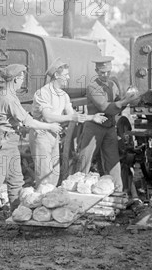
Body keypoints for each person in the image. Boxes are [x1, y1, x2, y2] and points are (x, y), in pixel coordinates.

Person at [0, 64, 61, 239]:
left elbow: (16, 121)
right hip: (2, 146)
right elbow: (28, 120)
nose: (22, 81)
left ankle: (16, 219)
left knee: (16, 183)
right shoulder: (8, 98)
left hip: (10, 143)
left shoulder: (8, 95)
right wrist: (49, 126)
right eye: (22, 78)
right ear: (16, 79)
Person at [30, 58, 106, 187]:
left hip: (54, 135)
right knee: (44, 176)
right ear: (56, 75)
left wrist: (92, 117)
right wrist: (71, 118)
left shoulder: (64, 95)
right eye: (65, 75)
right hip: (41, 134)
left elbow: (73, 115)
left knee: (54, 174)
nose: (68, 77)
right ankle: (39, 202)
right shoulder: (44, 93)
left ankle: (49, 203)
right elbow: (48, 117)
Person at [77, 56, 138, 193]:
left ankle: (117, 191)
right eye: (102, 72)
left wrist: (129, 100)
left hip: (109, 128)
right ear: (96, 71)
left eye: (108, 72)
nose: (105, 75)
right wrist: (124, 101)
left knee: (113, 161)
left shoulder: (113, 85)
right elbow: (106, 108)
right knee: (85, 160)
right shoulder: (93, 87)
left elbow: (118, 108)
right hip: (94, 128)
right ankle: (78, 189)